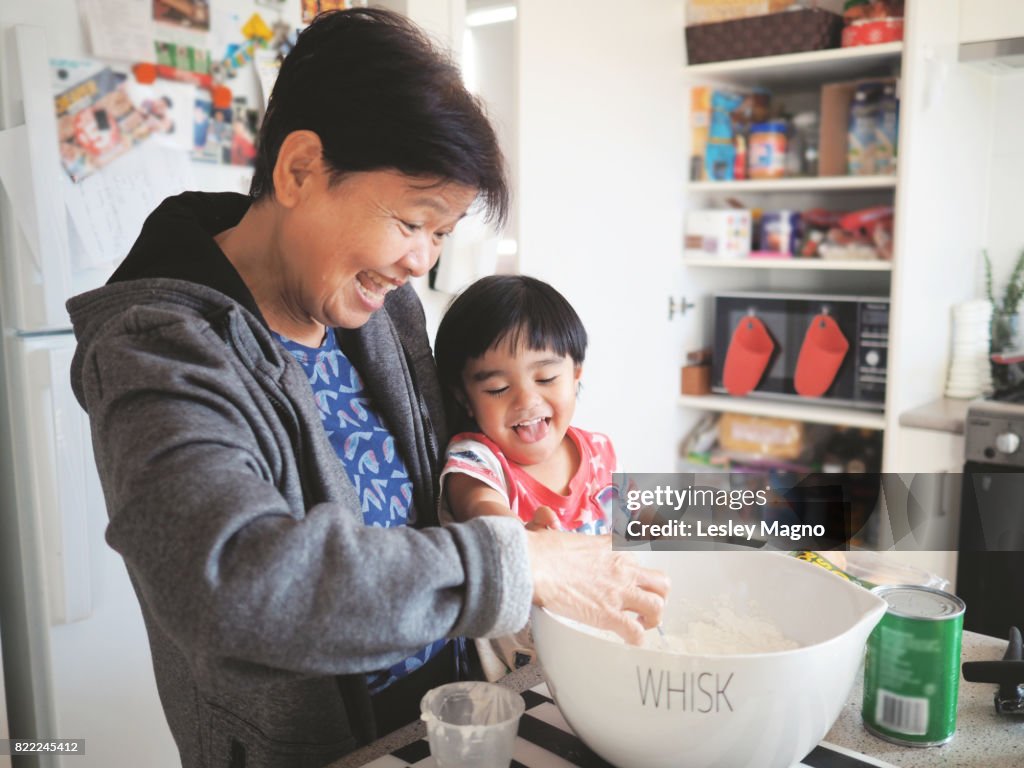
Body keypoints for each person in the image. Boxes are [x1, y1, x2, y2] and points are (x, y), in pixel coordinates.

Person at [66, 9, 668, 768]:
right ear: (299, 170)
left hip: (439, 718)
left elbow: (469, 460)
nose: (422, 260)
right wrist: (525, 564)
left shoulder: (382, 311)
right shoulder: (159, 348)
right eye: (413, 220)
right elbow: (229, 581)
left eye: (443, 233)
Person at [434, 274, 619, 679]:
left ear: (576, 375)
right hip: (519, 678)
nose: (527, 400)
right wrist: (523, 540)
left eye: (546, 378)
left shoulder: (599, 450)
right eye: (498, 387)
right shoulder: (478, 459)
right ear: (465, 396)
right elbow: (480, 508)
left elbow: (633, 528)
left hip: (598, 653)